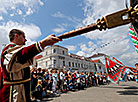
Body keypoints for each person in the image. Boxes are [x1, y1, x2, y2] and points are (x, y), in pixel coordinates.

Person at [0, 29, 61, 102]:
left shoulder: (15, 49)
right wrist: (42, 43)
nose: (25, 40)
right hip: (13, 93)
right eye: (23, 37)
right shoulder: (9, 49)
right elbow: (20, 55)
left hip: (22, 90)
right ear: (16, 36)